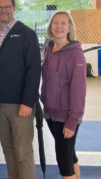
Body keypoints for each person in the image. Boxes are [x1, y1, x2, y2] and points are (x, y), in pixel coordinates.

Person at [0, 0, 41, 179]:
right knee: (8, 150)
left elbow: (34, 71)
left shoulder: (27, 34)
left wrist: (27, 102)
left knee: (23, 153)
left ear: (14, 9)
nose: (4, 10)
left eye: (7, 6)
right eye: (0, 7)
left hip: (20, 105)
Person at [41, 11, 86, 179]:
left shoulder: (75, 54)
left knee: (64, 163)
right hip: (50, 112)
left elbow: (79, 90)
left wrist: (73, 119)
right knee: (69, 155)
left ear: (69, 28)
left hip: (65, 115)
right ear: (50, 27)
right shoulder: (48, 48)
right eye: (55, 23)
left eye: (63, 23)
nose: (59, 27)